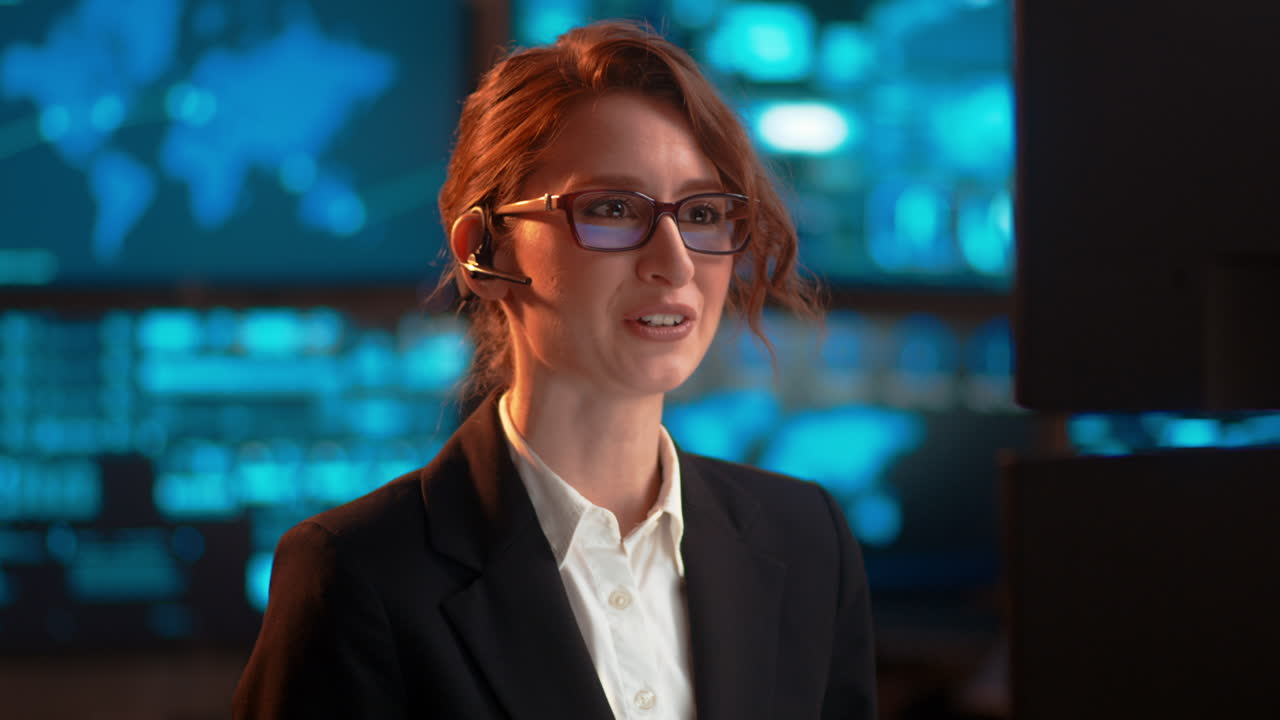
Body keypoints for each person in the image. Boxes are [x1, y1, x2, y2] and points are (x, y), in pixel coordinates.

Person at [233, 20, 875, 720]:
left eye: (702, 213)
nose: (676, 262)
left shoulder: (807, 539)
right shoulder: (357, 574)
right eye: (610, 209)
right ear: (485, 251)